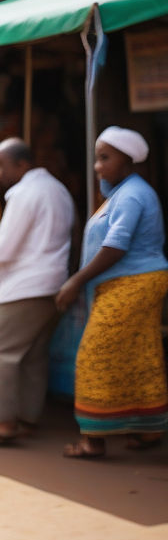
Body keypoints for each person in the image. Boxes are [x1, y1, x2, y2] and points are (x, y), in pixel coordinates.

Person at [56, 126, 168, 458]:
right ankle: (149, 431)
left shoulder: (133, 194)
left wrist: (76, 280)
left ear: (129, 161)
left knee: (95, 356)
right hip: (132, 282)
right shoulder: (123, 192)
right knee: (139, 354)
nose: (97, 166)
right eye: (97, 158)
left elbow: (116, 246)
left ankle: (93, 439)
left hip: (133, 283)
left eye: (105, 158)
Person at [0, 137, 74, 446]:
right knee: (33, 355)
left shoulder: (25, 193)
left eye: (1, 165)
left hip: (26, 286)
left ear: (22, 164)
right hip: (52, 284)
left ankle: (2, 424)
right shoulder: (58, 189)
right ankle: (27, 418)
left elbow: (4, 249)